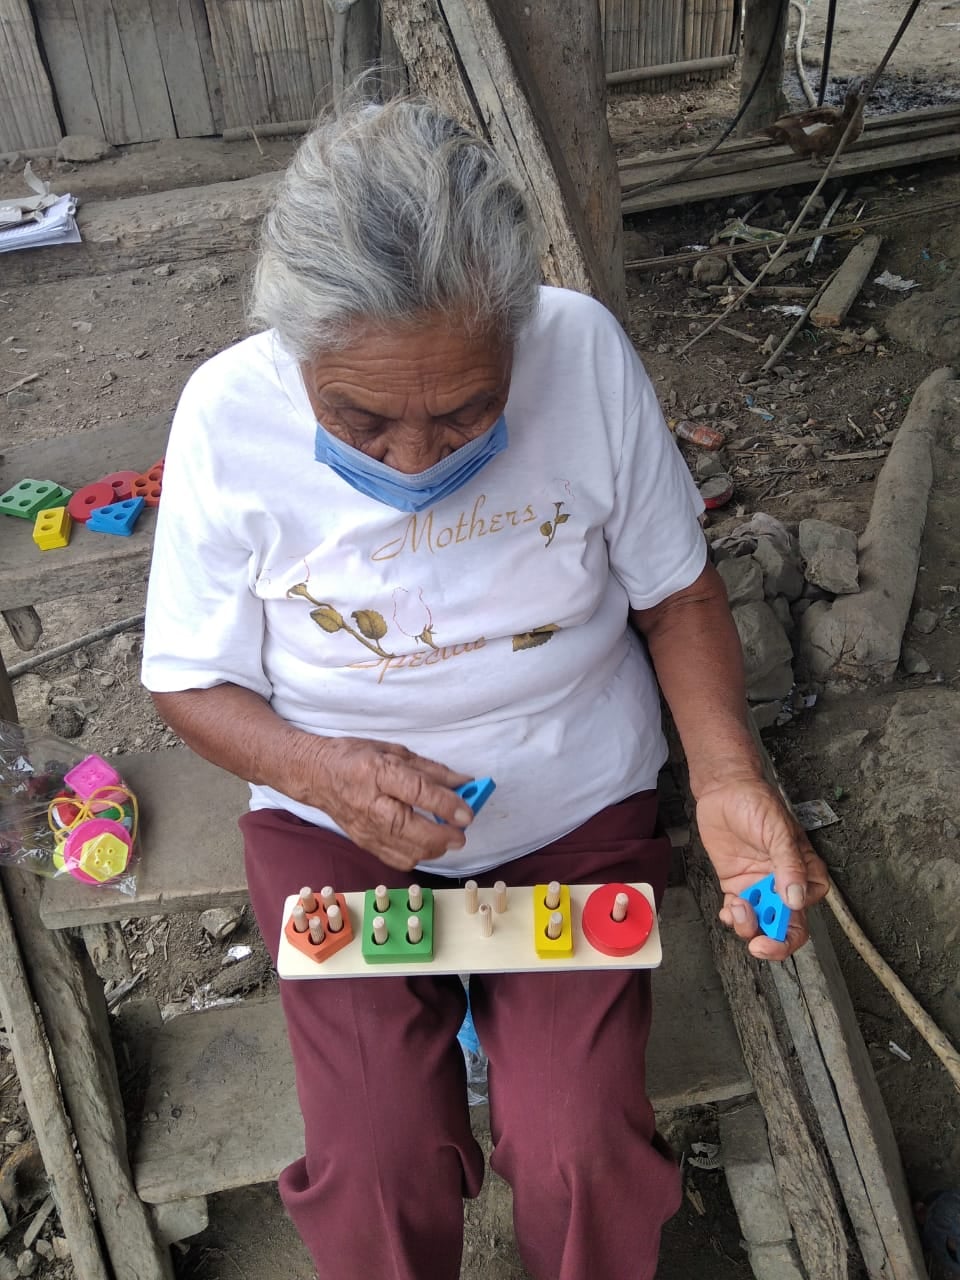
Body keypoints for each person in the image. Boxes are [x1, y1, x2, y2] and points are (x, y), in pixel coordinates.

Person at [141, 96, 828, 1280]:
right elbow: (188, 678)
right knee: (376, 1159)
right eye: (360, 418)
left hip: (571, 815)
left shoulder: (582, 352)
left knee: (580, 1149)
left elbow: (678, 595)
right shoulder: (226, 412)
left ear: (520, 331)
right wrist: (321, 773)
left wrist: (725, 777)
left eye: (467, 409)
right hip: (334, 831)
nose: (419, 458)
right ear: (293, 352)